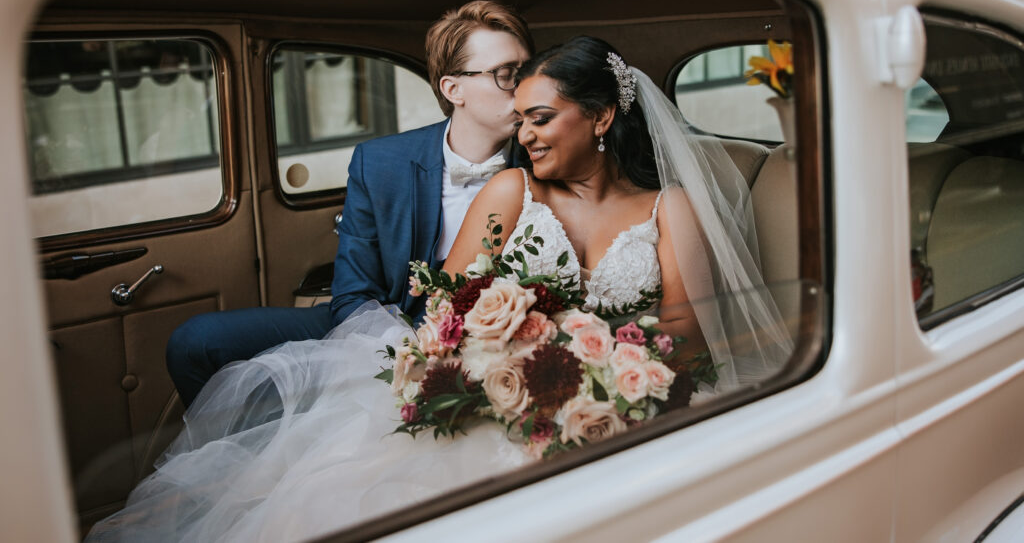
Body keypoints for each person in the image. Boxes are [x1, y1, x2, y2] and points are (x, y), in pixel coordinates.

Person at [87, 37, 793, 542]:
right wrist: (503, 353)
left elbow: (689, 332)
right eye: (519, 117)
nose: (525, 134)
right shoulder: (511, 189)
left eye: (541, 117)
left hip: (626, 396)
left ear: (602, 116)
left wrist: (590, 367)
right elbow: (449, 305)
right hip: (491, 391)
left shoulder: (668, 207)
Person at [165, 0, 534, 406]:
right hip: (380, 325)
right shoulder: (379, 162)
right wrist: (405, 348)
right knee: (194, 342)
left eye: (527, 72)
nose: (525, 88)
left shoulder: (546, 164)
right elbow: (352, 293)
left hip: (486, 335)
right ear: (453, 88)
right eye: (506, 75)